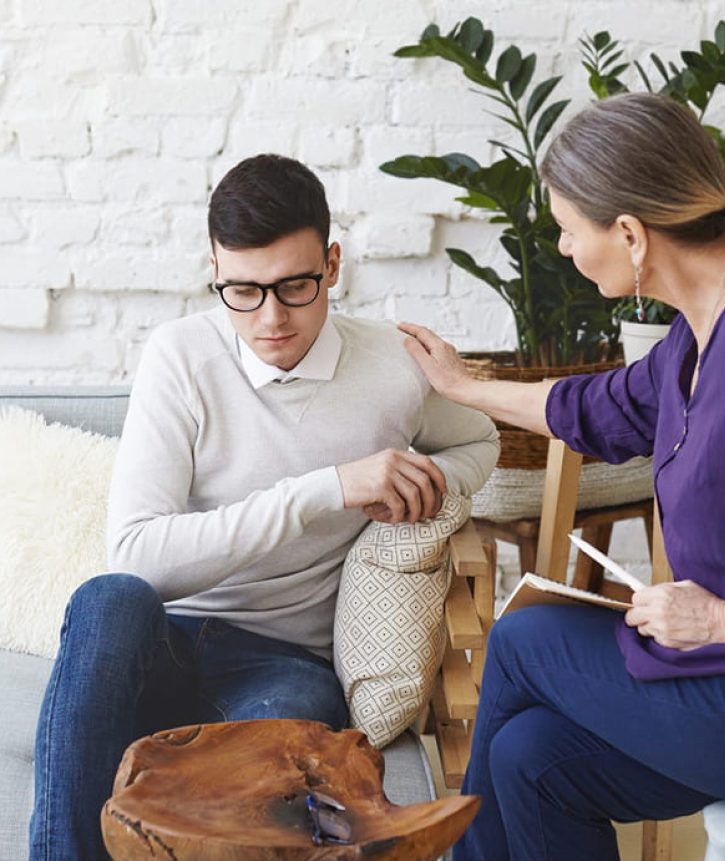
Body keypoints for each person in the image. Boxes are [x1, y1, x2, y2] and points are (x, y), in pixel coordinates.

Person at [29, 153, 500, 861]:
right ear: (214, 270)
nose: (271, 317)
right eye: (242, 291)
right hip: (164, 639)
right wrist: (326, 487)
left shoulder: (393, 364)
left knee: (276, 792)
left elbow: (483, 441)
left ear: (333, 264)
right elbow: (138, 557)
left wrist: (423, 477)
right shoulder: (180, 356)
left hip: (284, 662)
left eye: (295, 286)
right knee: (108, 598)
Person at [400, 92, 725, 861]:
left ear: (629, 233)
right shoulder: (695, 339)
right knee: (533, 760)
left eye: (567, 228)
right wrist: (462, 384)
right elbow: (590, 407)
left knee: (522, 639)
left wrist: (724, 621)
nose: (560, 246)